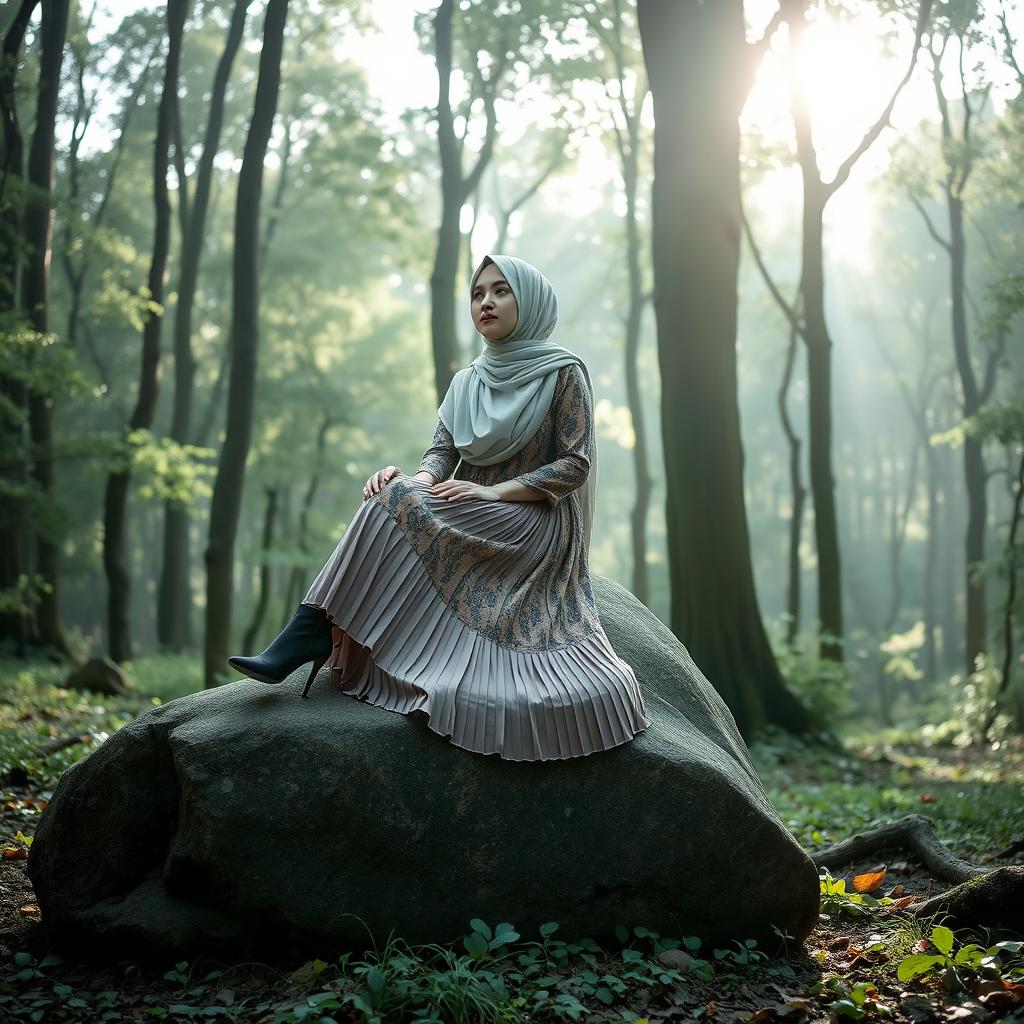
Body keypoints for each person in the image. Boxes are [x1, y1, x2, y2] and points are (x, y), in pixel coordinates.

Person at [228, 253, 652, 762]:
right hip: (468, 508)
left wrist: (494, 491)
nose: (486, 302)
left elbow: (574, 465)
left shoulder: (563, 373)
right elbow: (440, 454)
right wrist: (415, 480)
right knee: (389, 492)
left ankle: (310, 632)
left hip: (531, 520)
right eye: (477, 294)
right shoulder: (466, 381)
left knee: (401, 498)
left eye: (501, 290)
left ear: (531, 300)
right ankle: (312, 628)